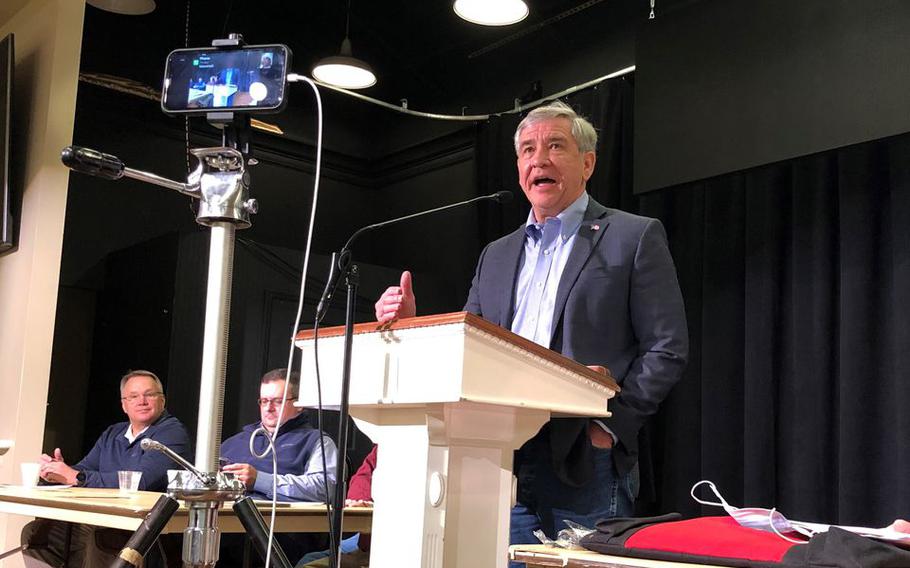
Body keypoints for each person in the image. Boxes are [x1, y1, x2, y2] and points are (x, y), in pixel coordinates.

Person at [374, 101, 689, 555]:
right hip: (497, 457)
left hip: (586, 457)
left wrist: (612, 426)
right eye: (527, 150)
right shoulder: (496, 254)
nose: (538, 159)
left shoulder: (632, 235)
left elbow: (667, 347)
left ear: (587, 163)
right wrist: (415, 328)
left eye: (555, 145)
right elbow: (471, 347)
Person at [21, 370, 191, 568]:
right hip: (105, 518)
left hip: (145, 526)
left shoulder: (172, 433)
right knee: (36, 534)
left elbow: (142, 481)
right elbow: (85, 469)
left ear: (162, 401)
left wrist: (75, 476)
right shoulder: (113, 433)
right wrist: (57, 472)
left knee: (102, 536)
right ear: (124, 405)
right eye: (133, 396)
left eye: (150, 394)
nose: (142, 401)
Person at [219, 368, 338, 564]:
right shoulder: (234, 442)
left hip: (280, 534)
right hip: (225, 527)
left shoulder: (317, 441)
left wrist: (259, 480)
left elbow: (323, 488)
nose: (268, 408)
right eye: (264, 401)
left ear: (299, 404)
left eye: (277, 401)